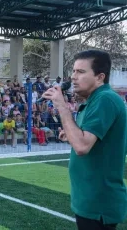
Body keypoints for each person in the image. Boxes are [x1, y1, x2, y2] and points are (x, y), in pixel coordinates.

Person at [42, 50, 127, 230]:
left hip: (99, 203)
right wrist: (70, 135)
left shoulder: (105, 99)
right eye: (73, 71)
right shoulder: (94, 100)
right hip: (90, 199)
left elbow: (82, 146)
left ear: (100, 77)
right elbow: (85, 138)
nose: (73, 77)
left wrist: (61, 106)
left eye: (80, 72)